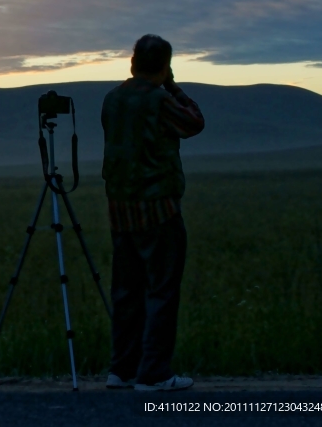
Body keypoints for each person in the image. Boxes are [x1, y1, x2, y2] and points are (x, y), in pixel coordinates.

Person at [101, 34, 204, 392]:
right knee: (161, 290)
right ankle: (154, 373)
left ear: (132, 63)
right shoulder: (159, 100)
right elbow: (193, 122)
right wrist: (172, 85)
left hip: (120, 209)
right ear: (164, 65)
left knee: (126, 291)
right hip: (158, 208)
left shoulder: (112, 99)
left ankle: (122, 369)